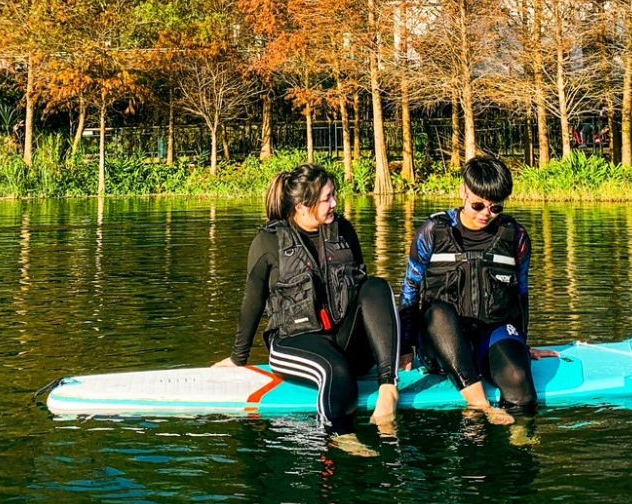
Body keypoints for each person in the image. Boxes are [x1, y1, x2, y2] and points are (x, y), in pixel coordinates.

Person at [216, 164, 401, 454]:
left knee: (377, 286)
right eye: (328, 198)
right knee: (334, 368)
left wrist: (400, 351)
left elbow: (367, 298)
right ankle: (340, 435)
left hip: (343, 340)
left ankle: (388, 387)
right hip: (294, 341)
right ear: (303, 206)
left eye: (334, 196)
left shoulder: (344, 231)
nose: (335, 204)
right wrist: (238, 358)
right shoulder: (268, 242)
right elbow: (251, 303)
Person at [400, 154, 540, 425]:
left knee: (518, 378)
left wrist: (521, 342)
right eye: (477, 205)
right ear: (463, 191)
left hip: (493, 332)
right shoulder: (432, 232)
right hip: (443, 339)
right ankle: (481, 404)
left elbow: (521, 293)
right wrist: (405, 346)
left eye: (495, 208)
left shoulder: (517, 236)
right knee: (438, 314)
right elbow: (410, 288)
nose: (485, 214)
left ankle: (520, 442)